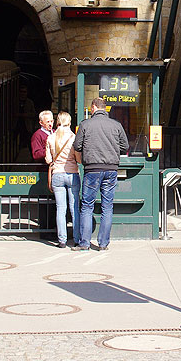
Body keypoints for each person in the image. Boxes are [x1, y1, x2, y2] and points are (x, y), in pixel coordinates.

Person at [72, 97, 128, 251]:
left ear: (94, 107)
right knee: (107, 206)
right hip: (111, 169)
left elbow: (77, 146)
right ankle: (103, 244)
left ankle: (84, 243)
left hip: (92, 169)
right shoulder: (116, 125)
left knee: (87, 206)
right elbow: (125, 146)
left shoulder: (85, 124)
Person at [45, 112, 80, 249]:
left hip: (57, 175)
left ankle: (62, 240)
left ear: (57, 122)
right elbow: (78, 159)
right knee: (74, 208)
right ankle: (77, 238)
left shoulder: (50, 138)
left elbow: (48, 160)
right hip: (72, 174)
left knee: (61, 208)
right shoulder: (73, 138)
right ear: (70, 122)